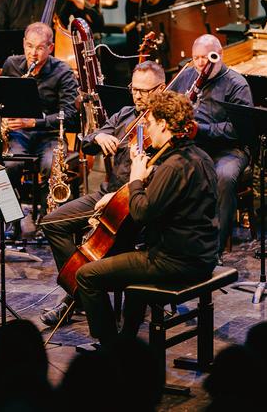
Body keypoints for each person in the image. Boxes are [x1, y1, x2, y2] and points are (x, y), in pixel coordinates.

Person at [75, 90, 218, 346]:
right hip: (203, 253)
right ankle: (128, 337)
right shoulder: (200, 156)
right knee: (133, 265)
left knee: (87, 275)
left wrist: (136, 178)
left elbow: (141, 213)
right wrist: (125, 192)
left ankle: (111, 348)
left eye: (150, 124)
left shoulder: (173, 165)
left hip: (175, 261)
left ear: (163, 124)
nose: (147, 130)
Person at [39, 60, 166, 326]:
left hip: (137, 204)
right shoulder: (124, 115)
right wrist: (97, 138)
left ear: (162, 88)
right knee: (51, 223)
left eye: (145, 91)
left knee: (104, 251)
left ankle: (77, 301)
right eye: (134, 89)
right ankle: (82, 296)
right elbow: (87, 142)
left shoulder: (165, 125)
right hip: (107, 197)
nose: (138, 96)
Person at [168, 34, 252, 260]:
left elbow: (240, 129)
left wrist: (202, 129)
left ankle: (214, 250)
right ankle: (173, 241)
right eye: (196, 58)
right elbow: (169, 105)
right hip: (194, 146)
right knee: (165, 171)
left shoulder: (236, 84)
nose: (201, 63)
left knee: (224, 177)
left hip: (230, 149)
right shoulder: (186, 76)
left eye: (206, 57)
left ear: (220, 55)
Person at [0, 22, 79, 228]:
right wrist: (2, 123)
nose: (33, 53)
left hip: (49, 134)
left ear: (50, 48)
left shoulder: (63, 72)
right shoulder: (11, 65)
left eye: (40, 47)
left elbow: (69, 115)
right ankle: (11, 218)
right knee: (9, 165)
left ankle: (48, 220)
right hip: (18, 133)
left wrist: (34, 121)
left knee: (51, 165)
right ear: (24, 44)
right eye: (29, 46)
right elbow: (0, 101)